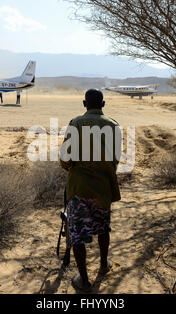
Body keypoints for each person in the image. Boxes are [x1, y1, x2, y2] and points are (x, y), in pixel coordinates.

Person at [60, 89, 122, 292]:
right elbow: (115, 158)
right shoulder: (113, 126)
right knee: (103, 227)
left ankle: (84, 280)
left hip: (78, 188)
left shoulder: (76, 123)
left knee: (77, 234)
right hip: (102, 188)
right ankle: (104, 265)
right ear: (103, 104)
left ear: (84, 104)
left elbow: (65, 158)